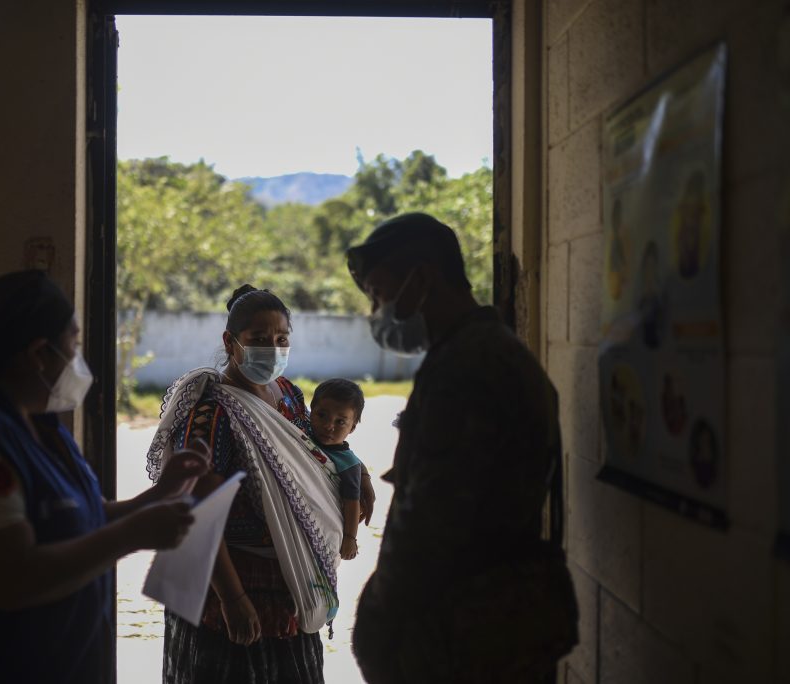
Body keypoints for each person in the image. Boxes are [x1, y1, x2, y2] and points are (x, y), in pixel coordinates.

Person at [0, 270, 205, 684]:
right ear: (39, 354)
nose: (80, 360)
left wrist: (158, 497)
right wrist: (132, 536)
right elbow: (13, 579)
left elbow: (82, 518)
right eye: (75, 344)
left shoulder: (39, 427)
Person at [346, 213, 578, 683]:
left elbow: (433, 518)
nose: (377, 311)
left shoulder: (467, 369)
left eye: (379, 293)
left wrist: (380, 619)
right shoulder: (482, 352)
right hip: (487, 625)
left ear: (423, 279)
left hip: (471, 635)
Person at [146, 284, 376, 684]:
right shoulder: (210, 415)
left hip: (290, 584)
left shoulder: (287, 395)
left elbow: (315, 451)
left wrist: (362, 474)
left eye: (281, 339)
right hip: (230, 589)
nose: (272, 348)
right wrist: (233, 599)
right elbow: (199, 514)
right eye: (258, 339)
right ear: (230, 342)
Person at [307, 378, 365, 561]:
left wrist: (350, 538)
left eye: (340, 422)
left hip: (324, 533)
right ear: (310, 412)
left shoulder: (348, 463)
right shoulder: (300, 437)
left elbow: (352, 502)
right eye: (322, 415)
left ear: (352, 428)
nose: (328, 426)